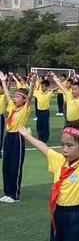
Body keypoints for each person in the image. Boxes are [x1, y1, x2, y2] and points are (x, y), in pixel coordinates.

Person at [0, 72, 35, 202]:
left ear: (24, 100)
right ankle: (7, 193)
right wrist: (3, 81)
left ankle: (14, 195)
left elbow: (30, 96)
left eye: (18, 97)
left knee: (15, 165)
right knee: (6, 166)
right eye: (15, 96)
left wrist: (32, 84)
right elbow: (7, 95)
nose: (15, 98)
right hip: (8, 138)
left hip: (17, 138)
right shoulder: (12, 107)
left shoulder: (25, 109)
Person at [33, 79, 57, 143]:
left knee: (45, 125)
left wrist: (58, 85)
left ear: (47, 87)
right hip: (39, 112)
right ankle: (40, 137)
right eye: (41, 86)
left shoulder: (49, 93)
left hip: (45, 112)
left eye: (43, 86)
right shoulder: (38, 93)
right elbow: (32, 90)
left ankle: (45, 139)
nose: (42, 88)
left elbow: (55, 89)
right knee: (39, 125)